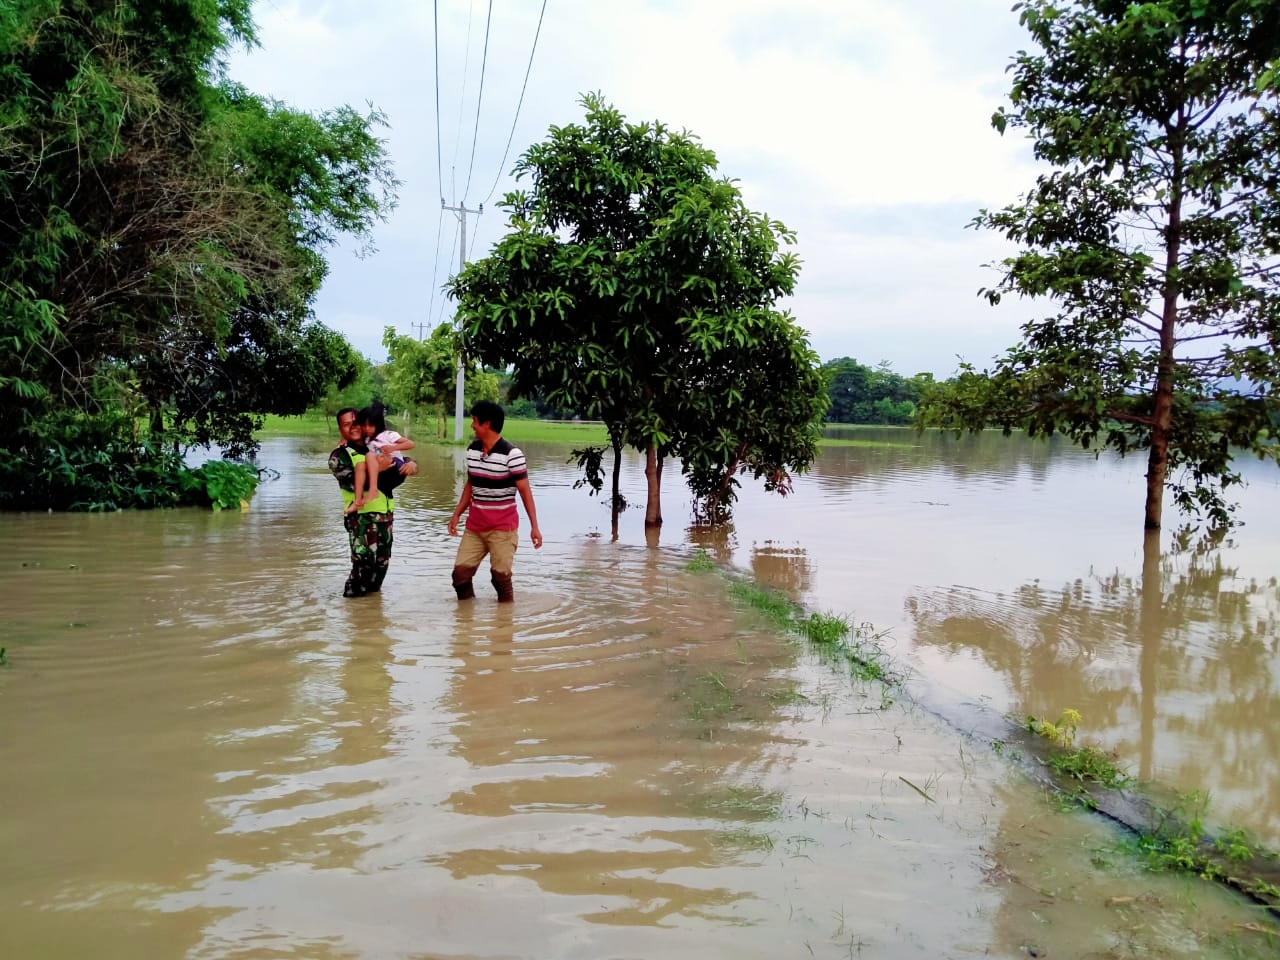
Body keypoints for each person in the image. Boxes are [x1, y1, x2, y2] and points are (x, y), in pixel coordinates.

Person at [447, 400, 543, 602]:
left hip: (502, 529)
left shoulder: (512, 455)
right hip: (475, 527)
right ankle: (466, 619)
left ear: (487, 424)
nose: (472, 425)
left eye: (474, 421)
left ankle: (505, 622)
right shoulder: (473, 450)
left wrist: (534, 527)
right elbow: (470, 485)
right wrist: (456, 515)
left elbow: (526, 492)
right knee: (460, 577)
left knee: (500, 578)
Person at [329, 407, 415, 597]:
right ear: (340, 429)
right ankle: (353, 611)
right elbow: (351, 483)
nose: (352, 427)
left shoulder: (373, 444)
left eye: (355, 421)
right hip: (362, 519)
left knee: (380, 569)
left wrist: (412, 464)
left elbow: (399, 459)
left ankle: (371, 619)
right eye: (346, 424)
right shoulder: (340, 455)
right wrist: (380, 469)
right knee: (362, 567)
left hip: (385, 517)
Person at [349, 402, 416, 511]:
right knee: (360, 465)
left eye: (370, 425)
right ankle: (357, 501)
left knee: (370, 455)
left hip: (396, 465)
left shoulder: (388, 435)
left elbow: (410, 444)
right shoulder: (367, 440)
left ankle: (373, 490)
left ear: (378, 424)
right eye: (364, 425)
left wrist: (393, 448)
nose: (367, 429)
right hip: (381, 464)